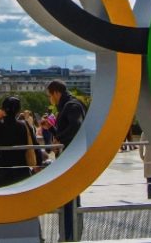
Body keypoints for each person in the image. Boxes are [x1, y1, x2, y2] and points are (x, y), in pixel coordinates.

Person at [47, 80, 86, 240]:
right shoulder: (69, 105)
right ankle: (69, 234)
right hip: (70, 156)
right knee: (70, 199)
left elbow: (75, 127)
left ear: (56, 93)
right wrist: (51, 129)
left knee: (69, 199)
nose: (50, 99)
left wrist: (59, 140)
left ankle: (70, 235)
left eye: (50, 95)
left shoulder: (71, 106)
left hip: (71, 158)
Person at [0, 96, 33, 189]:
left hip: (2, 166)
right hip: (20, 166)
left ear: (3, 110)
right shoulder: (23, 125)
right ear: (18, 110)